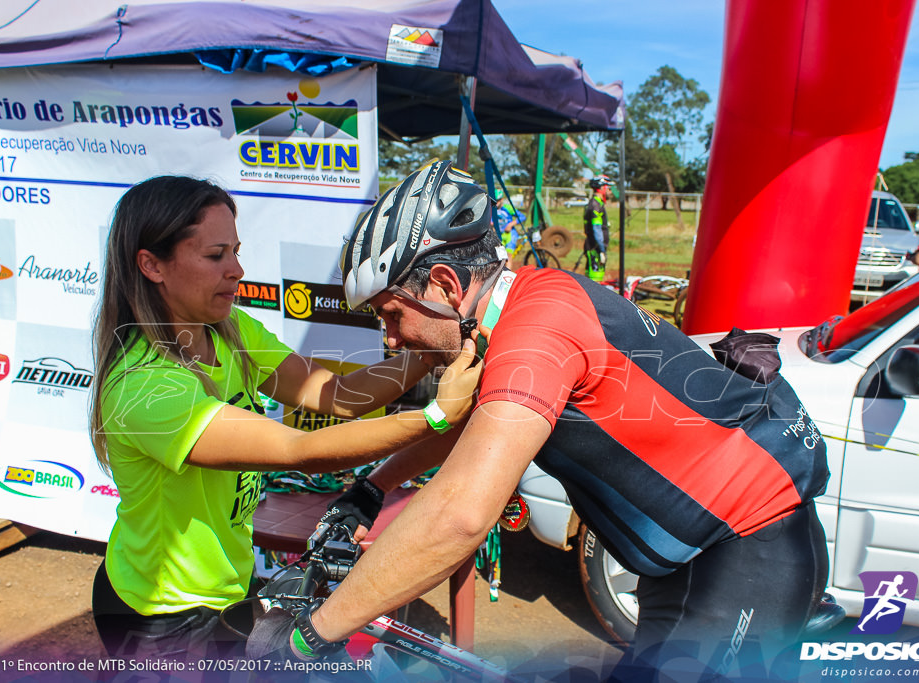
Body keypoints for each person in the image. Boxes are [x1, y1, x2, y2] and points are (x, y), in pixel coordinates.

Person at [298, 161, 831, 679]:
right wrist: (374, 487)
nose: (390, 339)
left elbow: (460, 516)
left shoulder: (537, 332)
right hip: (687, 559)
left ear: (445, 284)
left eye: (392, 314)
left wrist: (315, 632)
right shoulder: (516, 309)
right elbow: (479, 429)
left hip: (747, 548)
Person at [88, 175, 481, 664]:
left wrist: (432, 340)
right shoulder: (144, 386)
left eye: (235, 250)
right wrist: (438, 416)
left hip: (223, 589)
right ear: (151, 265)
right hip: (158, 614)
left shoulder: (229, 331)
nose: (236, 269)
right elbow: (300, 451)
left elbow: (337, 395)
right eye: (215, 255)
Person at [583, 174, 613, 281]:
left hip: (594, 248)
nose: (610, 192)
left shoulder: (596, 203)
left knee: (592, 279)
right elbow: (596, 229)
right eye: (608, 188)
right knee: (594, 281)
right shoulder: (595, 206)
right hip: (595, 249)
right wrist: (601, 250)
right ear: (601, 188)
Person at [493, 187, 524, 268]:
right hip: (499, 235)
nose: (496, 203)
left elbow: (522, 217)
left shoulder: (507, 208)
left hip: (510, 234)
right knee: (499, 257)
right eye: (494, 201)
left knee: (508, 256)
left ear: (502, 199)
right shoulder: (492, 209)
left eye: (498, 200)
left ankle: (509, 275)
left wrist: (511, 224)